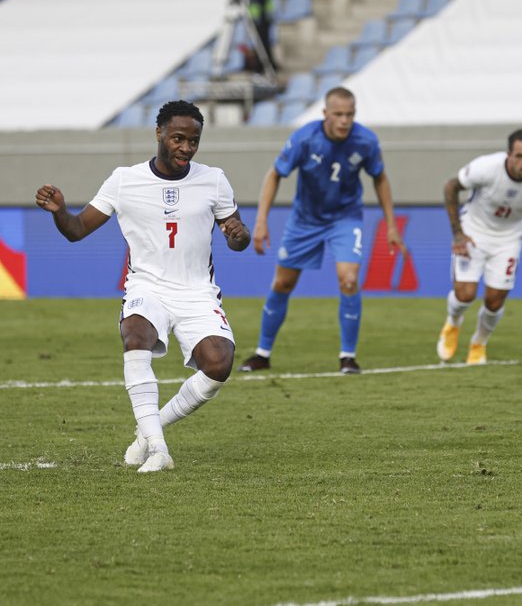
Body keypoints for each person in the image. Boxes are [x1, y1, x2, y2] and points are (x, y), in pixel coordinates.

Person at [35, 100, 251, 473]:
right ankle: (158, 449)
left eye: (194, 141)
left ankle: (148, 430)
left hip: (196, 291)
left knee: (219, 365)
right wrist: (60, 213)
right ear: (159, 134)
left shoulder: (213, 179)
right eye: (178, 138)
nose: (186, 148)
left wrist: (239, 235)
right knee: (135, 336)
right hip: (147, 286)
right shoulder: (124, 180)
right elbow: (76, 230)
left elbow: (237, 235)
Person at [239, 86, 406, 374]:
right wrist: (261, 220)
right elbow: (275, 174)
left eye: (350, 115)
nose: (344, 121)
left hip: (345, 218)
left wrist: (390, 224)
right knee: (282, 284)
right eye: (338, 114)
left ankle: (348, 357)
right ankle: (262, 353)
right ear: (325, 114)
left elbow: (380, 178)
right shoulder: (305, 138)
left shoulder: (365, 141)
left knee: (349, 279)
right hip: (305, 220)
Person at [436, 128, 522, 365]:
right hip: (474, 231)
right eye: (520, 156)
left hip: (508, 239)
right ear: (508, 154)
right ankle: (453, 323)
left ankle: (479, 342)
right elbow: (450, 187)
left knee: (494, 300)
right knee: (465, 294)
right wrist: (458, 234)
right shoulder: (486, 167)